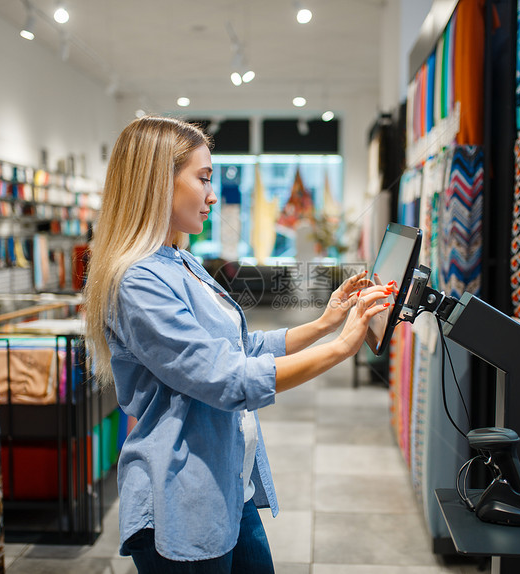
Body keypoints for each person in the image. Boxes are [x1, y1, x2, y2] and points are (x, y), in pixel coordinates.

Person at [83, 116, 393, 573]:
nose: (213, 194)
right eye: (204, 179)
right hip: (182, 497)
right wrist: (342, 347)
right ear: (156, 181)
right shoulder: (137, 281)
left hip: (229, 478)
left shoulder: (181, 261)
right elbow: (224, 378)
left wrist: (326, 323)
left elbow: (241, 345)